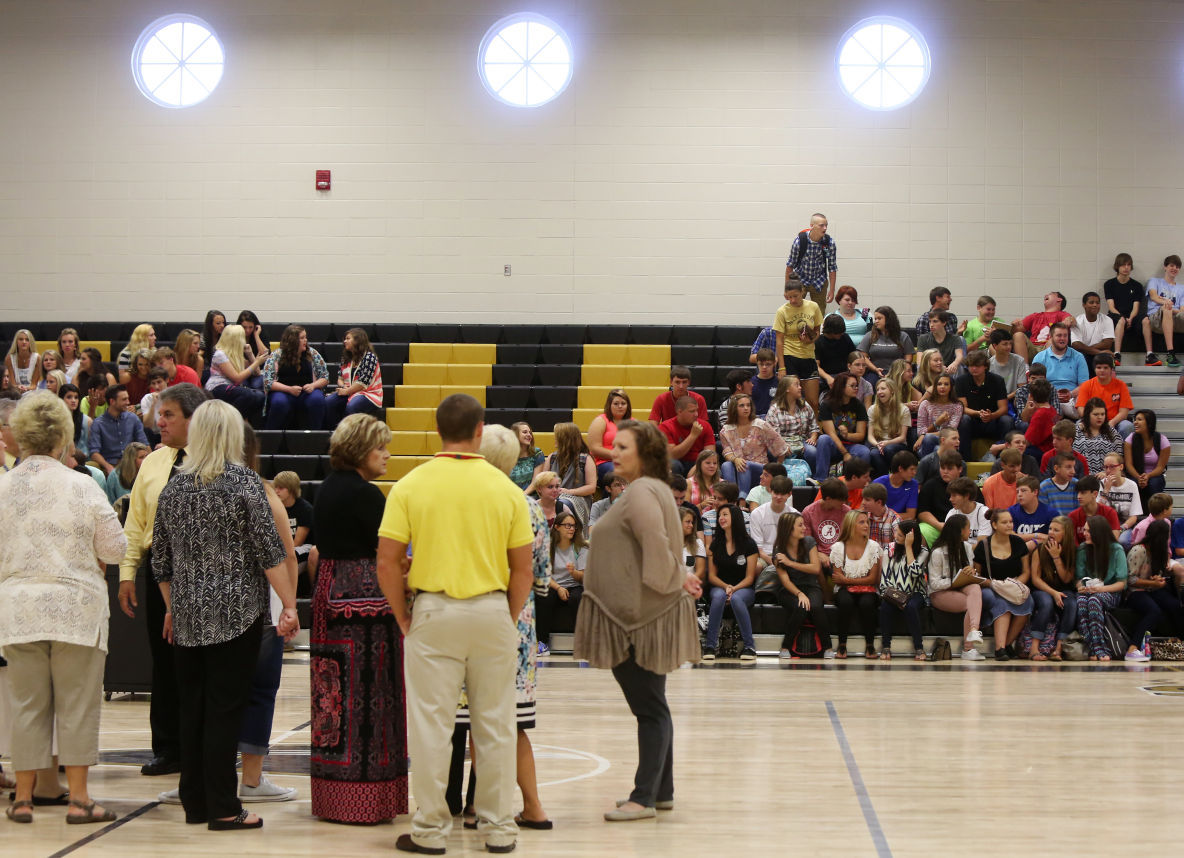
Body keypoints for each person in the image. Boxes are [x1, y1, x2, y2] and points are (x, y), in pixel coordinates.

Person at [376, 394, 533, 852]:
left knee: (431, 726)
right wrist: (505, 615)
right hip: (492, 610)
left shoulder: (410, 483)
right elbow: (522, 569)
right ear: (480, 430)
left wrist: (404, 616)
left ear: (437, 428)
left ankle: (429, 832)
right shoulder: (505, 488)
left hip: (433, 610)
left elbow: (387, 563)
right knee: (497, 724)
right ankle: (499, 829)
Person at [150, 401, 297, 830]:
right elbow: (270, 552)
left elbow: (160, 561)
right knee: (224, 710)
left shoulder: (173, 488)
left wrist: (171, 607)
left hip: (188, 615)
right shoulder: (244, 483)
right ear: (233, 436)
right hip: (237, 614)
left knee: (192, 708)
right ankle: (223, 806)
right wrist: (288, 605)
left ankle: (194, 801)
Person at [0, 392, 128, 825]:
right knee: (76, 704)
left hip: (19, 611)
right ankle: (79, 800)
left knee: (26, 705)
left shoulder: (2, 486)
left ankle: (21, 799)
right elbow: (114, 548)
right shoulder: (82, 484)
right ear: (63, 436)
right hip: (77, 610)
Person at [570, 418, 700, 822]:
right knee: (654, 705)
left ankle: (643, 798)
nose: (615, 452)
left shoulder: (643, 491)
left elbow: (656, 543)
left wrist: (679, 577)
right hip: (642, 615)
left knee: (650, 708)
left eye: (624, 447)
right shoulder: (652, 489)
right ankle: (662, 791)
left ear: (645, 454)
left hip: (637, 620)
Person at [307, 413, 407, 824]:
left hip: (330, 595)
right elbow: (388, 554)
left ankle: (332, 798)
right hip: (364, 602)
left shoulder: (327, 487)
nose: (386, 455)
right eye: (380, 447)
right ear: (361, 449)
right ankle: (367, 799)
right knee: (369, 697)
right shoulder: (367, 495)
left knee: (331, 699)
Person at [117, 383, 209, 778]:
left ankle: (204, 748)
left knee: (201, 665)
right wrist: (125, 573)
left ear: (193, 419)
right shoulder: (153, 463)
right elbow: (136, 522)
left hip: (205, 571)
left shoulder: (216, 461)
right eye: (159, 414)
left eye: (169, 415)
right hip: (158, 572)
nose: (160, 421)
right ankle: (167, 747)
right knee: (164, 662)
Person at [973, 508, 1034, 661]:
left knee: (1027, 600)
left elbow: (1026, 571)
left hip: (1014, 585)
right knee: (1001, 603)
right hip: (989, 587)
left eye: (1011, 522)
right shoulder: (983, 546)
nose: (1009, 525)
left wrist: (1013, 586)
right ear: (994, 525)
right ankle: (999, 648)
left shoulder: (1019, 543)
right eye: (1004, 522)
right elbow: (977, 576)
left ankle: (1007, 644)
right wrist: (996, 586)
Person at [702, 504, 759, 661]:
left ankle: (749, 647)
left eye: (725, 514)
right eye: (720, 515)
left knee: (736, 598)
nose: (721, 518)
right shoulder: (715, 544)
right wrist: (726, 587)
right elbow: (712, 576)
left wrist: (734, 589)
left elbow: (749, 578)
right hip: (719, 586)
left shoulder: (749, 544)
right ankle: (710, 646)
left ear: (735, 518)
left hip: (743, 587)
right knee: (719, 597)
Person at [771, 512, 832, 659]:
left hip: (811, 586)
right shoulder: (779, 550)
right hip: (789, 589)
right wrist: (799, 593)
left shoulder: (809, 542)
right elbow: (785, 580)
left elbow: (815, 568)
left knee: (816, 606)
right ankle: (786, 646)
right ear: (789, 529)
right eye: (800, 525)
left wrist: (791, 563)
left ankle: (827, 647)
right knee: (801, 606)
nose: (804, 528)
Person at [927, 514, 986, 660]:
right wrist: (954, 582)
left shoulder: (967, 548)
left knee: (975, 588)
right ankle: (968, 648)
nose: (970, 531)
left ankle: (974, 630)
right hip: (940, 593)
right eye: (968, 528)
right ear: (960, 531)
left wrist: (972, 572)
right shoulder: (938, 552)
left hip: (960, 587)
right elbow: (934, 583)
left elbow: (969, 573)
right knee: (971, 604)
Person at [1125, 520, 1184, 661]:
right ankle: (1132, 648)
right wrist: (1153, 583)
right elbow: (1130, 580)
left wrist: (1158, 578)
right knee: (1154, 611)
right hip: (1135, 592)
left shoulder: (1161, 551)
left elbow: (1158, 574)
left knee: (1175, 605)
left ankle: (1180, 641)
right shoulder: (1139, 550)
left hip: (1152, 589)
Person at [829, 509, 883, 659]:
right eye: (861, 522)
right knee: (845, 602)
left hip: (869, 589)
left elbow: (872, 579)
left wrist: (847, 580)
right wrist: (846, 582)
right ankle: (842, 644)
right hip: (844, 590)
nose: (866, 525)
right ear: (851, 525)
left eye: (867, 522)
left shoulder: (873, 547)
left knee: (867, 603)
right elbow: (837, 578)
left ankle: (870, 645)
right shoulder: (838, 548)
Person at [1074, 515, 1128, 661]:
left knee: (1094, 601)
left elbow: (1121, 583)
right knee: (1081, 601)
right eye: (1084, 530)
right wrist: (1081, 587)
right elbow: (1079, 579)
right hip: (1090, 590)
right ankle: (1092, 646)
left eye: (1088, 531)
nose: (1084, 534)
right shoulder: (1083, 549)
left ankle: (1100, 647)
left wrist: (1100, 590)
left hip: (1110, 591)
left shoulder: (1116, 550)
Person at [1027, 516, 1079, 661]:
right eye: (1050, 529)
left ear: (1066, 533)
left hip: (1063, 588)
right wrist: (1053, 593)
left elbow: (1067, 579)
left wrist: (1056, 558)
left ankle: (1059, 648)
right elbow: (1035, 579)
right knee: (1046, 602)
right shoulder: (1040, 549)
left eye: (1056, 530)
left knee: (1071, 603)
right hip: (1042, 589)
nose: (1051, 533)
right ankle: (1034, 648)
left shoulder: (1072, 550)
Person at [535, 509, 586, 654]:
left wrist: (574, 573)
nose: (571, 529)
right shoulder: (547, 547)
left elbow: (583, 576)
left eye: (573, 526)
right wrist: (558, 588)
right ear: (557, 527)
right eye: (567, 525)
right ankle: (542, 642)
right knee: (543, 595)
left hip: (574, 585)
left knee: (578, 597)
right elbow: (542, 574)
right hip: (554, 584)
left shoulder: (580, 547)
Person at [719, 393, 787, 499]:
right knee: (726, 465)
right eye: (741, 406)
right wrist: (735, 459)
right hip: (738, 467)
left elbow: (781, 448)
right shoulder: (726, 430)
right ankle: (730, 498)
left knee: (745, 465)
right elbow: (727, 452)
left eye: (748, 405)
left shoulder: (760, 425)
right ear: (734, 408)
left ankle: (742, 499)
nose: (746, 408)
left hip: (759, 468)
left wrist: (776, 471)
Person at [878, 519, 929, 661]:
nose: (895, 536)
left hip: (915, 592)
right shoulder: (889, 548)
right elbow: (885, 576)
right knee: (885, 607)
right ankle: (886, 646)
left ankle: (919, 648)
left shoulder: (923, 551)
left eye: (900, 535)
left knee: (911, 607)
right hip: (893, 591)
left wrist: (908, 547)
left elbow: (914, 573)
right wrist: (895, 596)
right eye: (896, 533)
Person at [261, 325, 329, 430]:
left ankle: (316, 436)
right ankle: (270, 436)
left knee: (317, 400)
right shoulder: (276, 355)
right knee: (279, 402)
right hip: (283, 391)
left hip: (307, 392)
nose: (305, 340)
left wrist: (313, 385)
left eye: (305, 337)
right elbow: (268, 382)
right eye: (302, 338)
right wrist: (289, 389)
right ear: (292, 340)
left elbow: (325, 377)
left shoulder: (313, 354)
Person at [773, 280, 824, 411]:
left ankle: (814, 430)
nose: (793, 300)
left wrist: (810, 339)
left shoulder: (813, 306)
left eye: (795, 296)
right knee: (792, 400)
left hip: (808, 356)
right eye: (789, 297)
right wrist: (782, 367)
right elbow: (779, 341)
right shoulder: (782, 311)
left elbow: (818, 331)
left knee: (813, 402)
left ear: (802, 292)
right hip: (790, 356)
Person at [814, 371, 870, 482]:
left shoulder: (859, 406)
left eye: (856, 385)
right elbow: (830, 433)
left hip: (852, 445)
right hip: (833, 445)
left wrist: (847, 435)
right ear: (841, 387)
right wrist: (845, 453)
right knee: (823, 439)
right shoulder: (827, 404)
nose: (856, 388)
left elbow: (861, 435)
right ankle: (820, 480)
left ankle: (858, 483)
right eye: (852, 386)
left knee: (865, 452)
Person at [954, 350, 1012, 459]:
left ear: (985, 366)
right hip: (973, 421)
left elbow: (1003, 408)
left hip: (992, 421)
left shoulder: (997, 380)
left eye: (977, 365)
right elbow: (963, 408)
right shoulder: (961, 381)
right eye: (971, 366)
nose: (974, 368)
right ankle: (964, 459)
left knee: (1007, 420)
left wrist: (992, 416)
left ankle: (1003, 458)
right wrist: (978, 413)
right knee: (964, 419)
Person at [204, 324, 267, 421]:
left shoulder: (234, 354)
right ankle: (234, 421)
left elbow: (257, 372)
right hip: (217, 387)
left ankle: (241, 421)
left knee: (260, 397)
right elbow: (237, 378)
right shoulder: (220, 354)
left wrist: (250, 354)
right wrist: (257, 362)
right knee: (246, 395)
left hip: (231, 388)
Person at [325, 327, 384, 429]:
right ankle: (334, 432)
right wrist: (343, 387)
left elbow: (362, 383)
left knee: (352, 406)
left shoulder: (369, 357)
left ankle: (348, 436)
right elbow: (340, 378)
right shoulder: (346, 358)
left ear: (357, 340)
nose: (345, 341)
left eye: (348, 338)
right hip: (349, 391)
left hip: (369, 394)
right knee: (328, 402)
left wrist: (346, 391)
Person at [544, 422, 597, 530]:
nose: (554, 439)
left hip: (578, 499)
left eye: (557, 436)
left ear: (565, 439)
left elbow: (591, 488)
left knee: (562, 503)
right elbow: (542, 481)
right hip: (553, 496)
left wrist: (568, 492)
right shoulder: (552, 457)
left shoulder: (585, 459)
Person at [272, 470, 318, 593]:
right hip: (284, 547)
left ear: (291, 489)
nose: (276, 491)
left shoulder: (305, 509)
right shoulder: (275, 508)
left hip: (304, 547)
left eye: (281, 488)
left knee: (288, 558)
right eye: (275, 487)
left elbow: (297, 542)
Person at [763, 374, 820, 473]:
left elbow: (814, 427)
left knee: (812, 451)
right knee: (773, 452)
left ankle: (813, 478)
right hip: (781, 441)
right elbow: (772, 434)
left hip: (802, 441)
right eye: (796, 385)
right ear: (787, 389)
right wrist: (782, 445)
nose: (800, 387)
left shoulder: (805, 406)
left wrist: (813, 438)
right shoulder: (775, 409)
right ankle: (778, 476)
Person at [87, 385, 148, 475]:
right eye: (124, 399)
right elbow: (94, 452)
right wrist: (108, 467)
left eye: (127, 398)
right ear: (112, 401)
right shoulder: (98, 423)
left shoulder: (133, 419)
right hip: (110, 466)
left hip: (132, 465)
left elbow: (144, 444)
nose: (128, 402)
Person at [1032, 322, 1088, 419]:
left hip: (1072, 398)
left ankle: (1081, 426)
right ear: (1051, 336)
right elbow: (1034, 384)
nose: (1062, 339)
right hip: (1048, 398)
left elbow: (1084, 385)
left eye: (1065, 336)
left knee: (1085, 400)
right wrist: (1052, 394)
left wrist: (1070, 394)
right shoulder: (1040, 357)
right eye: (1059, 335)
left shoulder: (1078, 357)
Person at [1074, 353, 1133, 438]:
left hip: (1115, 422)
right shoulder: (1086, 385)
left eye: (1105, 368)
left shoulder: (1121, 385)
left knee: (1127, 426)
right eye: (1099, 367)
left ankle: (1124, 451)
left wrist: (1112, 422)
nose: (1102, 370)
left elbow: (1124, 412)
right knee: (1078, 425)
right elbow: (1081, 409)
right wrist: (1093, 421)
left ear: (1111, 369)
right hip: (1091, 421)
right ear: (1094, 369)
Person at [784, 212, 837, 307]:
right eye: (821, 225)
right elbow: (790, 265)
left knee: (819, 312)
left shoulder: (829, 243)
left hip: (819, 280)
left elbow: (832, 267)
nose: (825, 228)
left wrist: (832, 290)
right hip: (800, 279)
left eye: (826, 225)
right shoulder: (799, 242)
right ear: (812, 226)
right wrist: (787, 289)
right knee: (795, 310)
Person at [1142, 254, 1184, 367]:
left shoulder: (1182, 288)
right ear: (1165, 267)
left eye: (1177, 267)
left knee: (1170, 310)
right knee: (1166, 309)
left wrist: (1171, 308)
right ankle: (1170, 354)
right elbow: (1154, 297)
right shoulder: (1154, 281)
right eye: (1171, 265)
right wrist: (1167, 303)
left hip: (1175, 319)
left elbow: (1182, 310)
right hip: (1156, 319)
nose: (1174, 268)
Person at [658, 395, 716, 477]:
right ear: (680, 412)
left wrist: (697, 468)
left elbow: (710, 454)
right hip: (678, 462)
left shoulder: (705, 426)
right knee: (673, 464)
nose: (696, 414)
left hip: (697, 463)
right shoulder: (665, 427)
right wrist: (693, 436)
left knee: (712, 467)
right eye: (692, 411)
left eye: (697, 410)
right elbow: (672, 455)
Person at [1124, 408, 1169, 510]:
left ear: (1149, 423)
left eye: (1139, 419)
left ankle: (1156, 513)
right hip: (1135, 474)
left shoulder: (1162, 440)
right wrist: (1139, 477)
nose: (1135, 422)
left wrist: (1148, 476)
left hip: (1154, 474)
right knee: (1133, 483)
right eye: (1135, 419)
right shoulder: (1130, 439)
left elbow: (1161, 467)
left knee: (1154, 483)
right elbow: (1128, 465)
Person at [917, 450, 962, 546]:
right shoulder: (930, 485)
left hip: (962, 527)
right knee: (920, 531)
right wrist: (939, 525)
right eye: (942, 468)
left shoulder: (968, 486)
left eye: (949, 468)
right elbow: (922, 512)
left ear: (960, 469)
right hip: (936, 526)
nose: (945, 471)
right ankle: (920, 560)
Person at [801, 478, 851, 564]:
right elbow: (807, 542)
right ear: (828, 499)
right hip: (818, 554)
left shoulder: (847, 511)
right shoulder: (808, 512)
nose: (843, 503)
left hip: (842, 553)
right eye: (840, 500)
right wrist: (817, 554)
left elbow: (850, 539)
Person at [1104, 252, 1142, 363]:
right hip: (1115, 315)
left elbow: (1136, 306)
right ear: (1117, 266)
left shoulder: (1137, 285)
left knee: (1145, 320)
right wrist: (1122, 317)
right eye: (1123, 265)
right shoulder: (1109, 284)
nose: (1126, 268)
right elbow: (1111, 306)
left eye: (1129, 265)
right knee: (1120, 320)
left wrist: (1130, 318)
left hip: (1132, 316)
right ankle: (1117, 354)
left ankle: (1150, 354)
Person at [866, 378, 910, 474]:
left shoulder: (903, 409)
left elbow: (902, 437)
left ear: (892, 391)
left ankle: (897, 475)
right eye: (877, 389)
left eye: (883, 388)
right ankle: (886, 479)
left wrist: (886, 443)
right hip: (879, 444)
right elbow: (870, 436)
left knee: (889, 449)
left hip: (897, 444)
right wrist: (877, 444)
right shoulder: (872, 409)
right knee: (873, 453)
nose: (879, 392)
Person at [1012, 291, 1073, 359]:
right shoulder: (1035, 316)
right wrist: (1015, 325)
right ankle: (1025, 368)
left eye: (1051, 294)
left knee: (1052, 340)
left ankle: (1049, 367)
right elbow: (1015, 332)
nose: (1046, 295)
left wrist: (1070, 320)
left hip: (1049, 347)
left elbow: (1071, 320)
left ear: (1059, 299)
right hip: (1033, 348)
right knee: (1018, 335)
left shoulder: (1062, 314)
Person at [915, 372, 962, 458]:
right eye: (939, 384)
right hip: (926, 444)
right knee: (930, 442)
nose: (942, 387)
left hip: (948, 443)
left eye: (946, 384)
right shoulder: (925, 404)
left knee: (935, 446)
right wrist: (936, 423)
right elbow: (920, 431)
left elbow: (950, 433)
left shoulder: (957, 406)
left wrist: (925, 435)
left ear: (951, 387)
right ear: (935, 387)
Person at [1099, 452, 1143, 544]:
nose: (1108, 470)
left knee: (1122, 541)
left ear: (1121, 467)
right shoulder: (1102, 484)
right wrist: (1106, 490)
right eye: (1106, 467)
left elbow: (1134, 516)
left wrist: (1121, 529)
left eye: (1112, 467)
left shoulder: (1132, 485)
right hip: (1104, 527)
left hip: (1125, 526)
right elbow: (1097, 511)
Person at [587, 389, 631, 479]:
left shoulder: (633, 422)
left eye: (623, 403)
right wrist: (619, 456)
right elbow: (595, 449)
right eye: (616, 404)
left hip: (627, 462)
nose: (620, 406)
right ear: (609, 405)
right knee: (618, 471)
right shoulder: (600, 421)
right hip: (603, 463)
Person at [859, 307, 915, 377]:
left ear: (889, 319)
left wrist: (898, 371)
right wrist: (875, 369)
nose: (876, 321)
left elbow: (908, 359)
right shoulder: (870, 335)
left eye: (879, 318)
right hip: (874, 372)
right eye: (875, 319)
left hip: (898, 373)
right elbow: (863, 357)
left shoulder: (903, 336)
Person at [1073, 397, 1123, 474]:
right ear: (1087, 415)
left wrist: (1106, 473)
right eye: (1096, 414)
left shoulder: (1112, 432)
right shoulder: (1076, 431)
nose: (1100, 417)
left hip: (1108, 476)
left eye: (1102, 414)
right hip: (1082, 478)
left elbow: (1119, 459)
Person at [1071, 291, 1116, 372]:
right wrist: (1099, 352)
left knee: (1106, 357)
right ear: (1084, 305)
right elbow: (1076, 345)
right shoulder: (1078, 321)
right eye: (1091, 302)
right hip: (1086, 355)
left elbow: (1107, 343)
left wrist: (1086, 349)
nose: (1095, 305)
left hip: (1093, 354)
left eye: (1097, 303)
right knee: (1081, 357)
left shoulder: (1107, 320)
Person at [916, 310, 967, 376]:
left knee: (960, 368)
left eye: (935, 321)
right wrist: (937, 367)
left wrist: (954, 364)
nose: (931, 325)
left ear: (944, 323)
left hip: (948, 369)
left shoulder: (955, 338)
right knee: (919, 367)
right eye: (930, 321)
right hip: (931, 369)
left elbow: (960, 356)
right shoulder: (923, 338)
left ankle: (956, 386)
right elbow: (919, 361)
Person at [816, 315, 858, 393]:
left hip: (845, 374)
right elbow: (816, 366)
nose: (841, 334)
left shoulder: (845, 337)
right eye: (839, 332)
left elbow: (854, 356)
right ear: (831, 331)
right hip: (826, 376)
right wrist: (827, 377)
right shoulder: (819, 342)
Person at [872, 450, 919, 519]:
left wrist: (888, 519)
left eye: (915, 469)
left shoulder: (913, 484)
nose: (914, 473)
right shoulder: (878, 483)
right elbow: (872, 512)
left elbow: (910, 515)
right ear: (900, 468)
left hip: (900, 524)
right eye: (912, 469)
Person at [988, 329, 1028, 401]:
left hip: (1014, 398)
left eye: (1010, 343)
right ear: (995, 346)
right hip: (995, 400)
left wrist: (1005, 398)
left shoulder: (1019, 361)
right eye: (1005, 344)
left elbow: (1022, 387)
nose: (1009, 347)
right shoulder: (988, 364)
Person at [1039, 452, 1080, 517]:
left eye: (1073, 467)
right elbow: (1044, 514)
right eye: (1068, 467)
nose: (1073, 471)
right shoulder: (1044, 487)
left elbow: (1079, 512)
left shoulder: (1077, 484)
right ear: (1056, 469)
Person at [509, 421, 545, 490]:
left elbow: (535, 482)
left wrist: (523, 495)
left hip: (530, 496)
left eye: (530, 433)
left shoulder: (537, 453)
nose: (529, 435)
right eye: (525, 432)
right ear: (515, 435)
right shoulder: (506, 455)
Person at [5, 329, 38, 394]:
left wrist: (25, 389)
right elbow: (12, 384)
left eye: (27, 339)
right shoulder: (9, 358)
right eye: (21, 339)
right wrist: (18, 388)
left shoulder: (37, 358)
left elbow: (34, 385)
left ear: (30, 342)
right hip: (15, 392)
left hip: (32, 392)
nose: (24, 342)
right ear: (16, 342)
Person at [749, 349, 779, 417]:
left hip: (774, 418)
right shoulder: (751, 382)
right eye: (761, 364)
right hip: (755, 418)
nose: (764, 367)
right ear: (757, 363)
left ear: (774, 363)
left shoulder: (779, 382)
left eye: (768, 364)